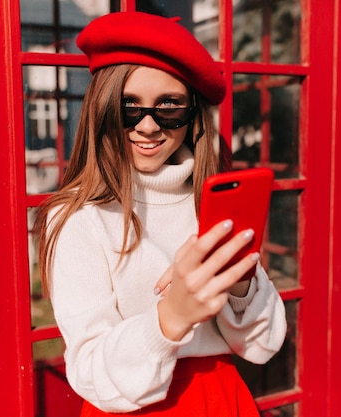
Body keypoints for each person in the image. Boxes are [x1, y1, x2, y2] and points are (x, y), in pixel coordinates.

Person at [34, 11, 287, 417]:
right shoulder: (77, 217)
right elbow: (91, 370)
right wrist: (172, 315)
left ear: (191, 116)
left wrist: (240, 282)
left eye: (168, 106)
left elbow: (262, 345)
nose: (148, 127)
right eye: (128, 107)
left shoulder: (211, 202)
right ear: (101, 110)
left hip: (221, 401)